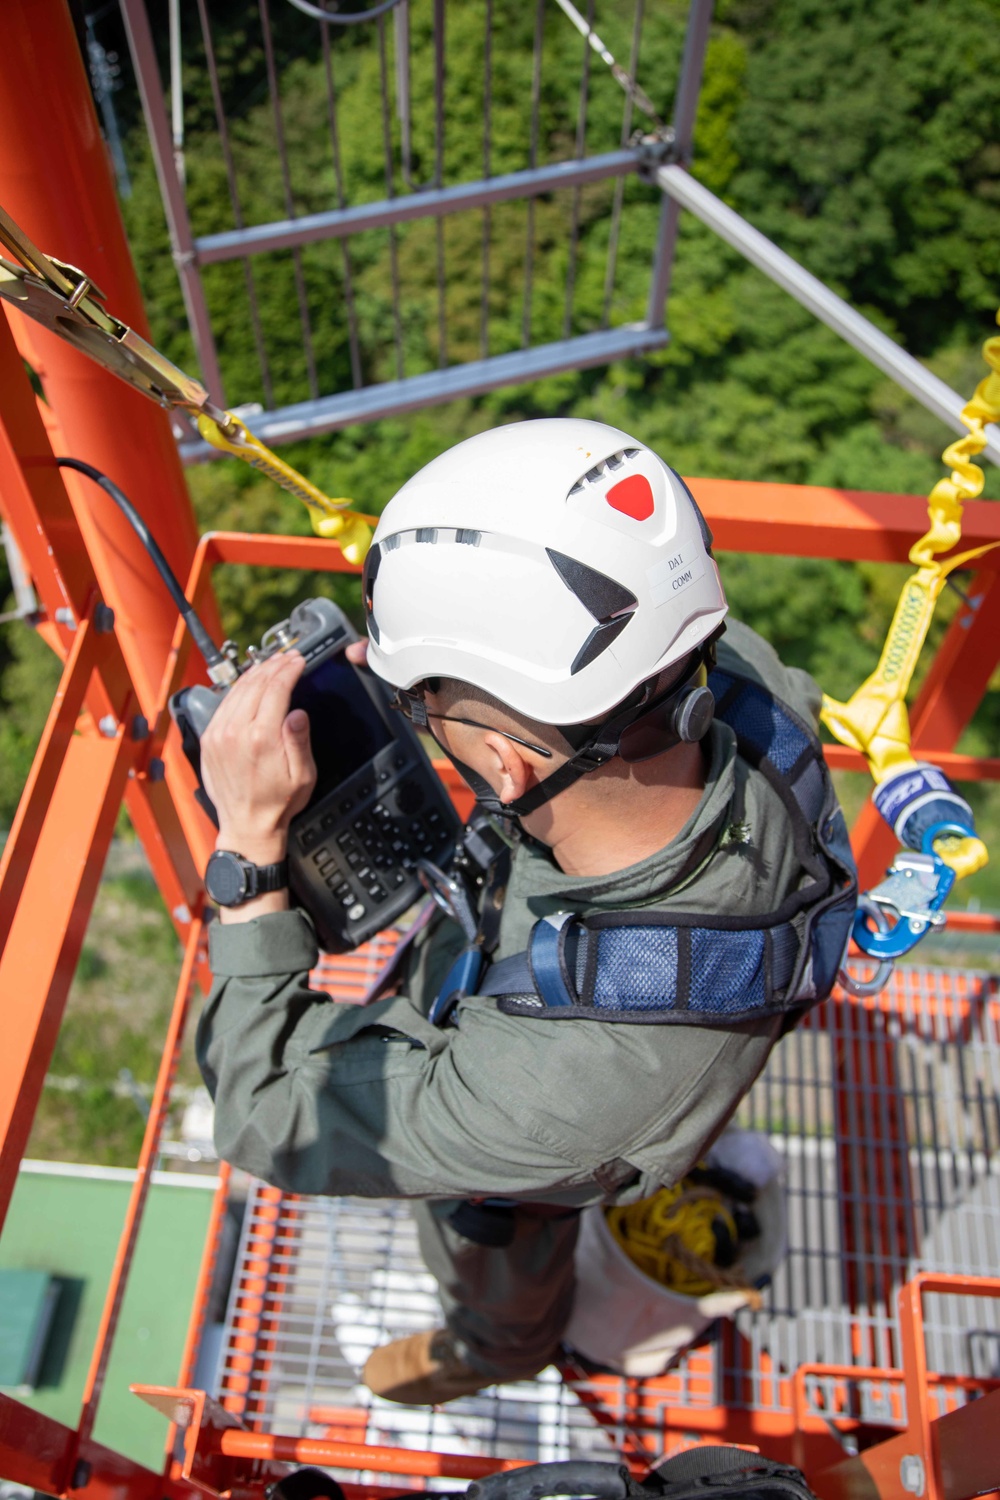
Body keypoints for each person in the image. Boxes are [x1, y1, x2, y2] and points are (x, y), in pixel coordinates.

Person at [196, 418, 855, 1405]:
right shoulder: (737, 679)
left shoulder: (532, 1098)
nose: (419, 720)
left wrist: (250, 847)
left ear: (504, 765)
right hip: (661, 1006)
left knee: (499, 1244)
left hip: (568, 1125)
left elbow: (260, 1114)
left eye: (423, 706)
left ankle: (497, 1353)